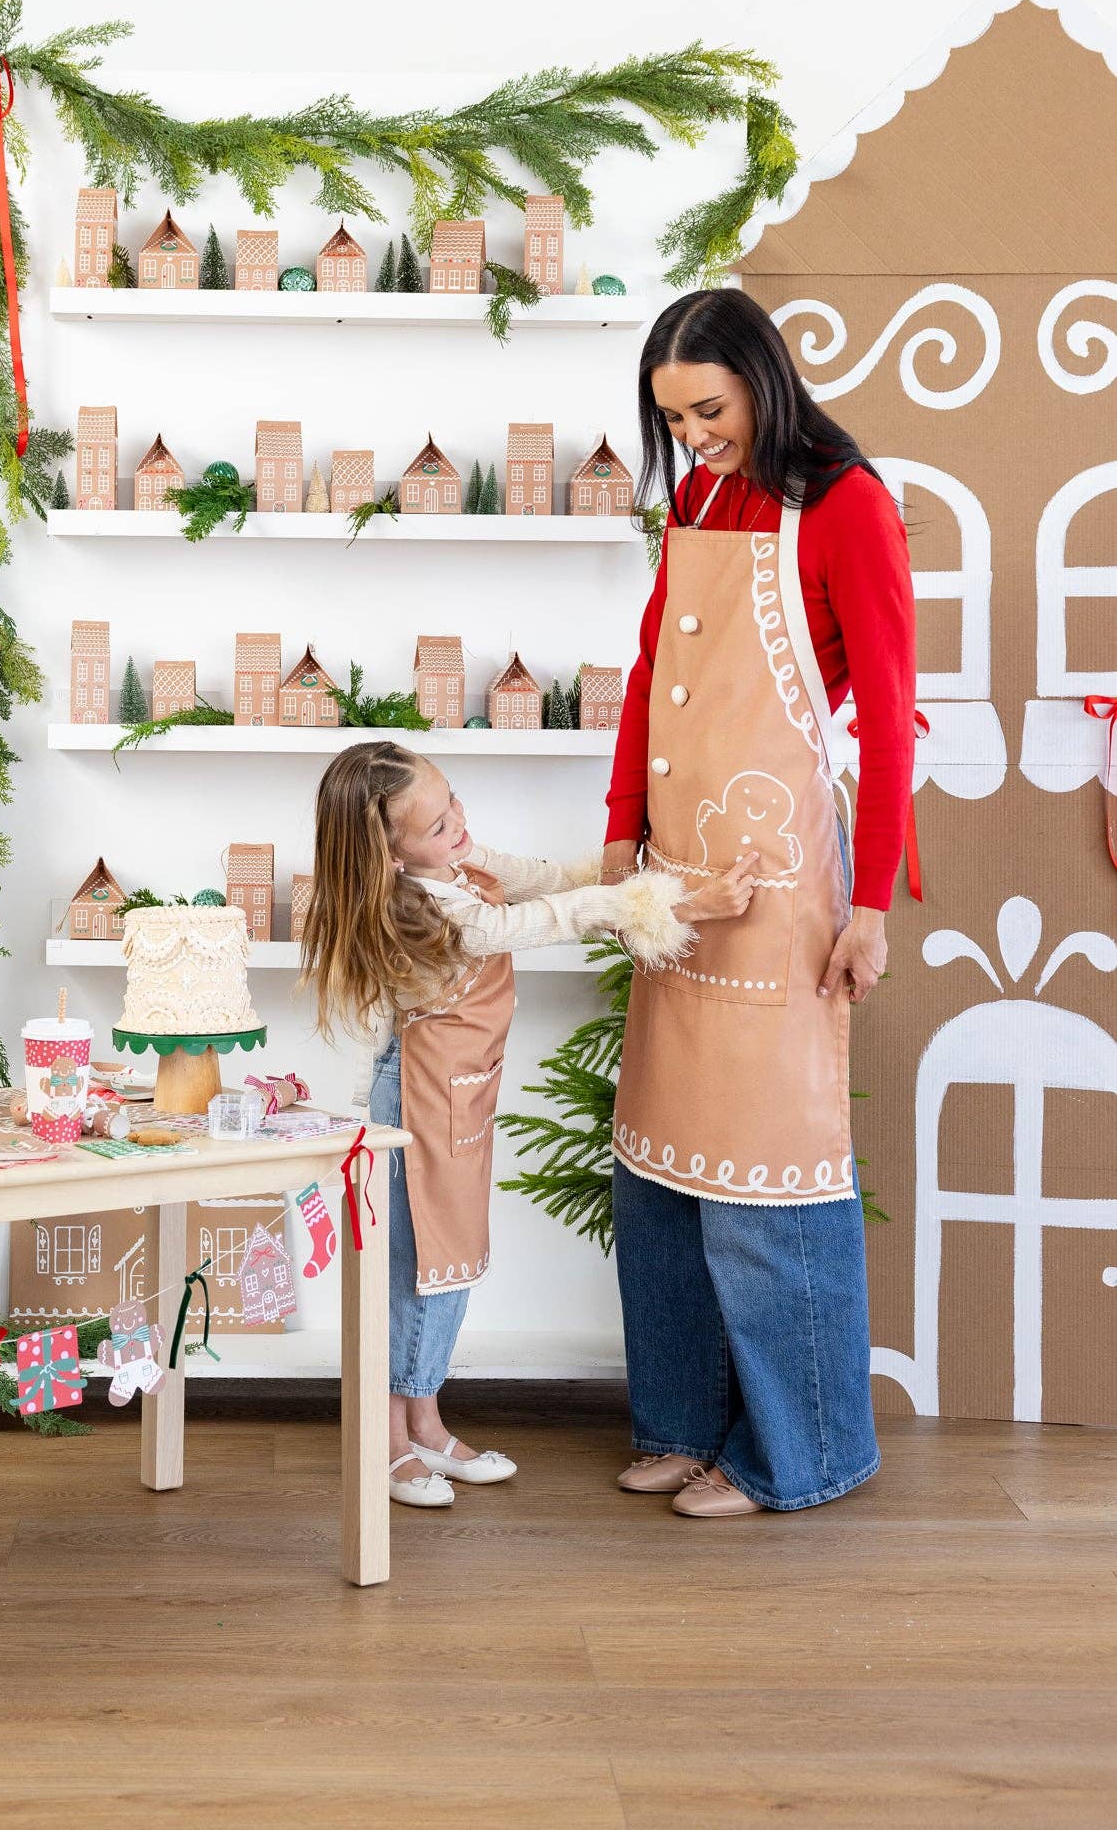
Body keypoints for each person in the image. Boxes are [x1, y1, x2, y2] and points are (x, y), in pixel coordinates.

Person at [604, 286, 916, 1518]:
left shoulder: (848, 504)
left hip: (783, 877)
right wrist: (624, 826)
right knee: (665, 1166)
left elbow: (886, 719)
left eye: (711, 408)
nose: (694, 435)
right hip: (679, 876)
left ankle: (808, 1447)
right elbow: (652, 670)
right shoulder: (697, 498)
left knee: (768, 1163)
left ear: (763, 378)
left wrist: (871, 905)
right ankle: (683, 1421)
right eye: (674, 417)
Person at [302, 739, 757, 1508]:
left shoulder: (457, 867)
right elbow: (553, 916)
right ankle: (382, 1444)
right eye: (440, 826)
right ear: (390, 851)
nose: (461, 826)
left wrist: (638, 869)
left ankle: (425, 1425)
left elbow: (550, 879)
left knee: (451, 1265)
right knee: (414, 1274)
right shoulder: (425, 910)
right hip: (416, 1100)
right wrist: (680, 907)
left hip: (458, 1096)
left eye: (454, 805)